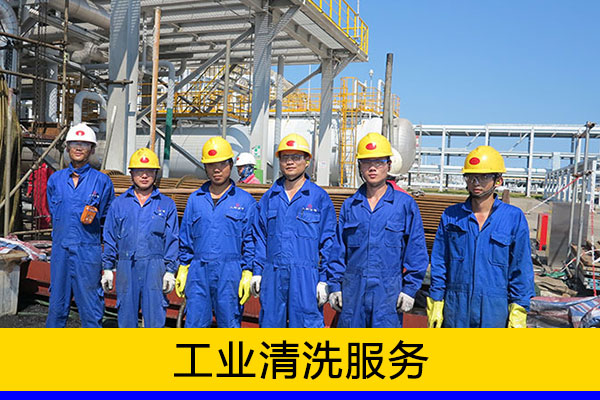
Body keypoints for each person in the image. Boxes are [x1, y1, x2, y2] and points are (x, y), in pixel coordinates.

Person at [427, 145, 535, 328]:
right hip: (456, 309)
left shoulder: (512, 218)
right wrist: (436, 301)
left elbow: (521, 268)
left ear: (498, 180)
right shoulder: (451, 216)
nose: (476, 182)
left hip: (494, 311)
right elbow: (440, 263)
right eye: (471, 176)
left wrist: (518, 309)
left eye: (484, 176)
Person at [328, 132, 428, 328]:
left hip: (388, 294)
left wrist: (409, 290)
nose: (372, 168)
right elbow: (338, 251)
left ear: (388, 165)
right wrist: (334, 286)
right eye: (366, 162)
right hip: (353, 293)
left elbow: (416, 251)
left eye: (379, 162)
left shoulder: (404, 205)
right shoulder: (350, 206)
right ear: (360, 167)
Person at [252, 133, 337, 327]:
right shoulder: (269, 198)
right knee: (270, 328)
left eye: (296, 157)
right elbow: (260, 238)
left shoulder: (318, 198)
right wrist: (257, 272)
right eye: (285, 158)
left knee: (307, 328)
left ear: (307, 161)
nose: (290, 162)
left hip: (306, 277)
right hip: (273, 275)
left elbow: (329, 243)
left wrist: (324, 279)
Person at [177, 137, 257, 327]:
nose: (217, 169)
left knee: (229, 325)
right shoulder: (195, 199)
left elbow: (250, 241)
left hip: (230, 273)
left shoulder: (245, 201)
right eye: (211, 164)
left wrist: (248, 271)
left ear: (231, 165)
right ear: (205, 167)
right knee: (194, 326)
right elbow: (186, 237)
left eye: (222, 164)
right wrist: (183, 266)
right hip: (198, 272)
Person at [45, 122, 115, 328]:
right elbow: (53, 212)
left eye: (84, 144)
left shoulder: (102, 181)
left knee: (91, 306)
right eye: (74, 143)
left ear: (92, 149)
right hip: (61, 251)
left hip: (88, 253)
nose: (78, 147)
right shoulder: (56, 180)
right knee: (57, 305)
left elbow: (107, 222)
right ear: (67, 147)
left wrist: (108, 263)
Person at [101, 148, 179, 328]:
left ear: (156, 174)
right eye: (139, 171)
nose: (144, 175)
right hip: (126, 266)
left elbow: (173, 239)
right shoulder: (119, 204)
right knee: (126, 317)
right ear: (131, 173)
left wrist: (170, 271)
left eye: (149, 171)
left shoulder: (167, 204)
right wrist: (107, 268)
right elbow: (110, 237)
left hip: (155, 268)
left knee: (155, 318)